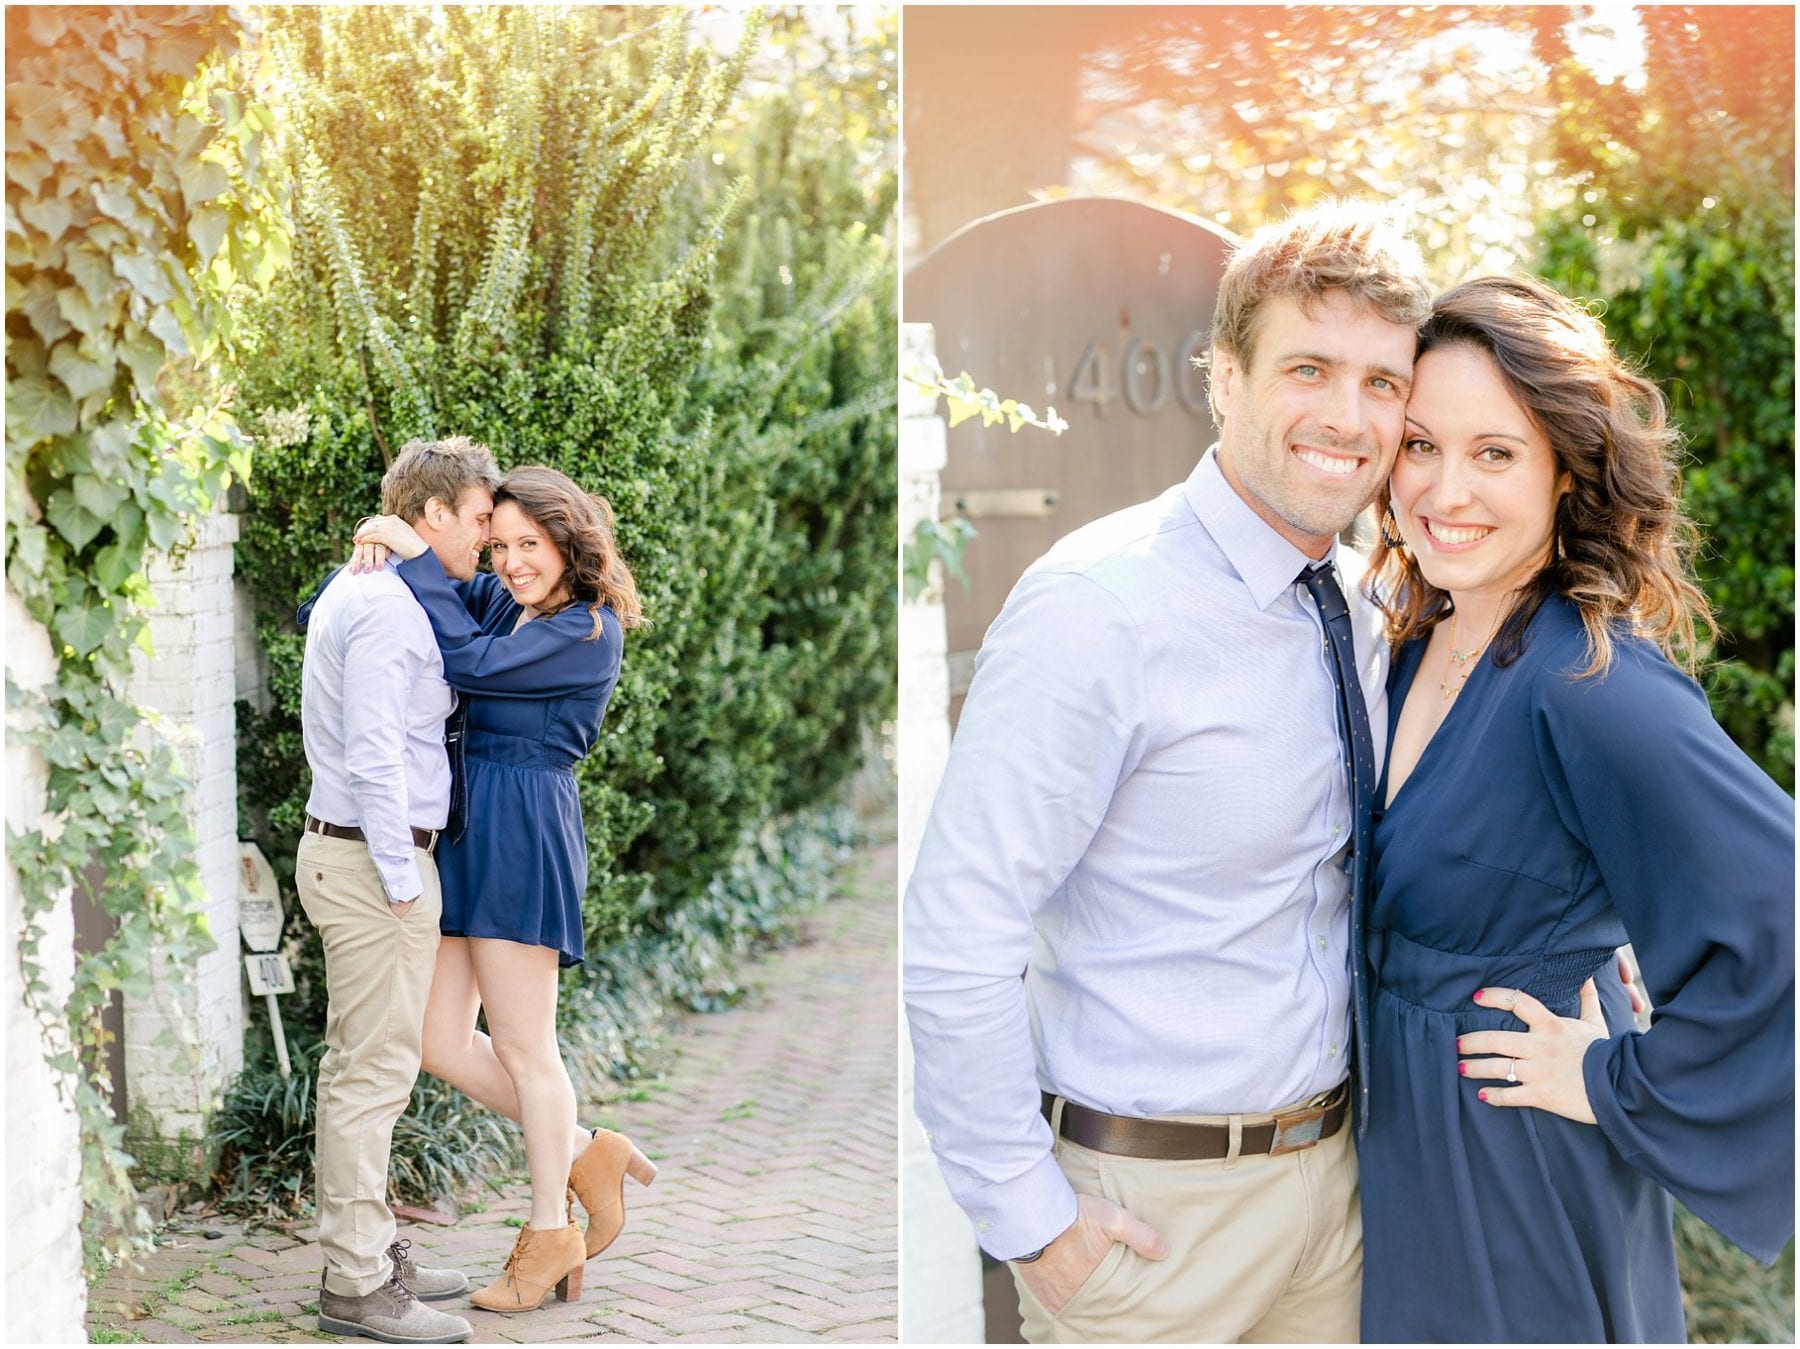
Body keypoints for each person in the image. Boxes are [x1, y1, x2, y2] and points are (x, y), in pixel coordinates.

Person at [904, 201, 1434, 1342]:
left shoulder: (1365, 606)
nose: (1348, 416)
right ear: (1224, 376)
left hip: (1335, 1193)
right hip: (1150, 1220)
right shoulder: (1099, 606)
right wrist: (1028, 1217)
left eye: (1383, 382)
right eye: (1309, 367)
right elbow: (962, 920)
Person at [1355, 275, 1794, 1342]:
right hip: (1408, 1171)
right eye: (1420, 445)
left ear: (1565, 470)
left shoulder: (1590, 682)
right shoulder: (1418, 638)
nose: (1444, 489)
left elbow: (1778, 915)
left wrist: (1614, 1079)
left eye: (1495, 452)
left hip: (1519, 1185)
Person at [351, 464, 655, 1315]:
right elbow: (426, 619)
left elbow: (466, 661)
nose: (514, 560)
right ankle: (588, 1150)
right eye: (504, 542)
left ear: (570, 542)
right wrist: (378, 553)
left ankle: (549, 1228)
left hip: (523, 829)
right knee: (437, 1037)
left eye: (533, 544)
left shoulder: (587, 630)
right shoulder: (502, 601)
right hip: (466, 828)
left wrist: (409, 548)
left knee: (527, 1047)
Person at [296, 435, 500, 1345]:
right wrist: (399, 881)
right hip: (371, 861)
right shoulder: (383, 608)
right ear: (432, 516)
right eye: (480, 519)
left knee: (367, 1068)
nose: (488, 539)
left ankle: (370, 1252)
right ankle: (358, 1284)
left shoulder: (391, 590)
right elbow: (376, 754)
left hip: (365, 856)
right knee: (370, 1076)